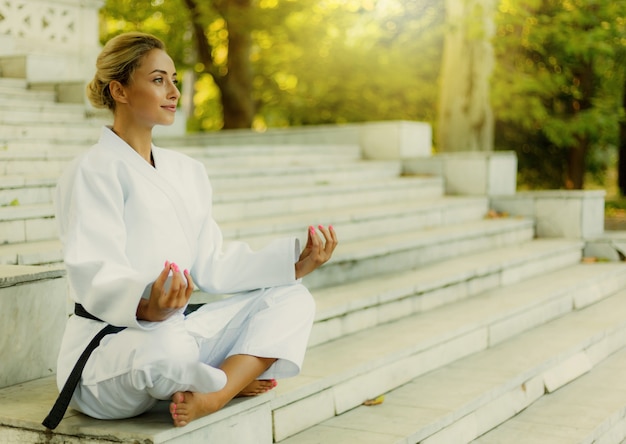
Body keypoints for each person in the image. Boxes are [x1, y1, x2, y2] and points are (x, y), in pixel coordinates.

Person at [51, 32, 337, 428]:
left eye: (173, 79)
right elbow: (94, 271)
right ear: (119, 89)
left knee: (292, 299)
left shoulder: (188, 172)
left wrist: (295, 264)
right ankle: (230, 375)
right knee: (165, 351)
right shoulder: (91, 171)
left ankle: (215, 392)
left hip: (177, 331)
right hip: (111, 350)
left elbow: (213, 266)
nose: (173, 90)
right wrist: (150, 305)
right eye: (157, 79)